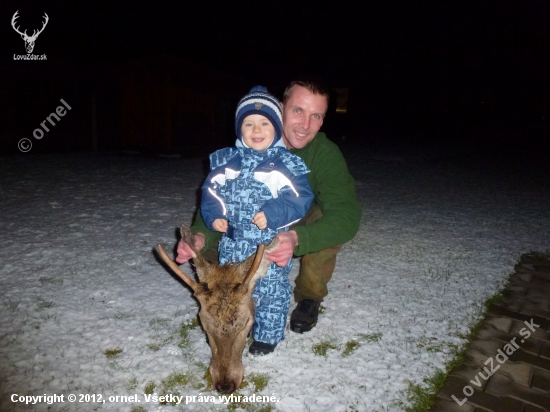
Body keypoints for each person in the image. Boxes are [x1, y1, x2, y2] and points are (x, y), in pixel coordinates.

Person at [177, 80, 361, 335]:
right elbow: (217, 194)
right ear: (281, 108)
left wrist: (299, 238)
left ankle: (309, 296)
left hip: (296, 216)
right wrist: (200, 236)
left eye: (315, 115)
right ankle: (232, 302)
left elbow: (347, 216)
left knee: (325, 221)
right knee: (208, 253)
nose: (305, 125)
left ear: (322, 120)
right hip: (247, 222)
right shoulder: (252, 135)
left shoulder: (324, 153)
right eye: (298, 111)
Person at [198, 85, 314, 355]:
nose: (257, 130)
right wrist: (215, 215)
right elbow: (211, 192)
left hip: (267, 246)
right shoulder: (226, 162)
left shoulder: (285, 164)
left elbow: (300, 198)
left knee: (270, 290)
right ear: (240, 129)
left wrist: (274, 214)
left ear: (276, 128)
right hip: (234, 245)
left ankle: (267, 334)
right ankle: (239, 326)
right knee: (233, 293)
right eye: (248, 124)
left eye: (264, 123)